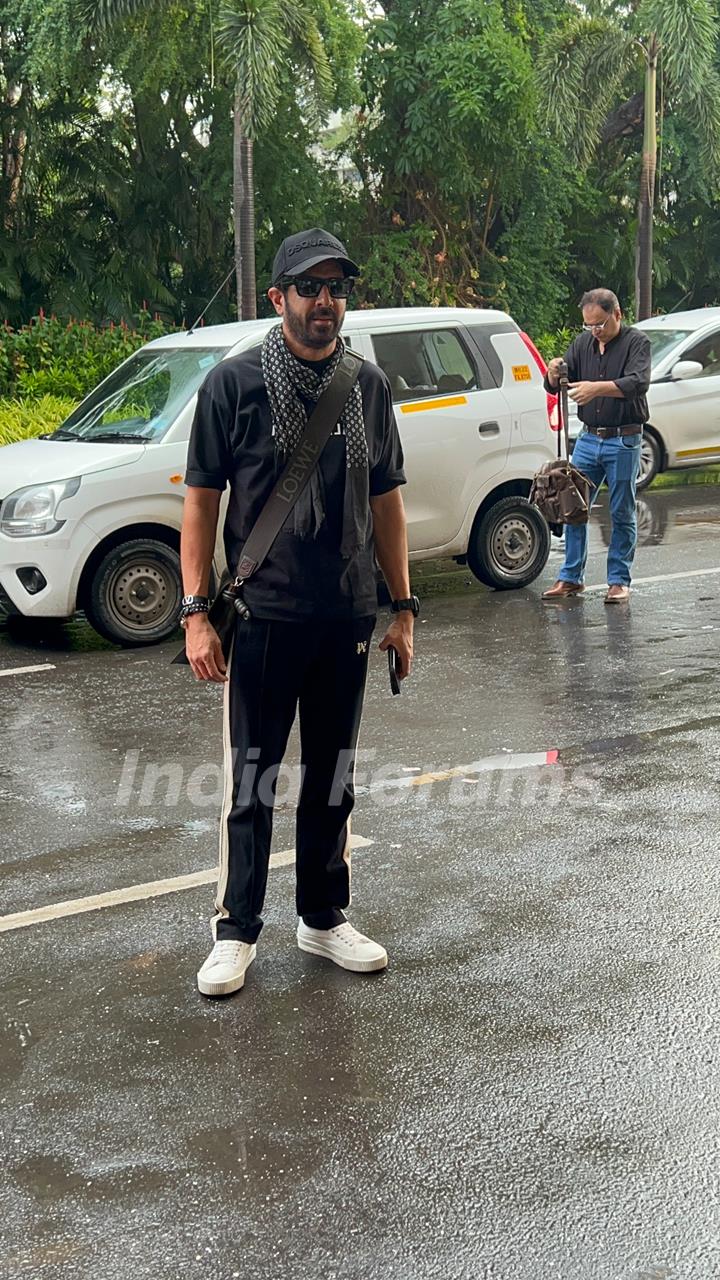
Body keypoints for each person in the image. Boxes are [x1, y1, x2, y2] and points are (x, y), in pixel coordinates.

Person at [179, 228, 416, 998]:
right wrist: (194, 614)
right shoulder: (233, 385)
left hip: (344, 616)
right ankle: (236, 930)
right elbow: (201, 504)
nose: (326, 302)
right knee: (251, 779)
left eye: (337, 288)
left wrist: (403, 607)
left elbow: (387, 503)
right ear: (277, 297)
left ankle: (322, 915)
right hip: (262, 616)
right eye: (309, 288)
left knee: (332, 777)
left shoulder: (368, 386)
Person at [542, 288, 651, 603]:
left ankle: (618, 580)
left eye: (601, 324)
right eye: (589, 325)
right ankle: (571, 577)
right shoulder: (582, 344)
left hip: (624, 438)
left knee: (621, 510)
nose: (596, 331)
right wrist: (553, 372)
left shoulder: (636, 343)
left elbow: (638, 382)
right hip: (589, 438)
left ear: (617, 314)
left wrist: (597, 389)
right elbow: (560, 381)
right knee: (572, 506)